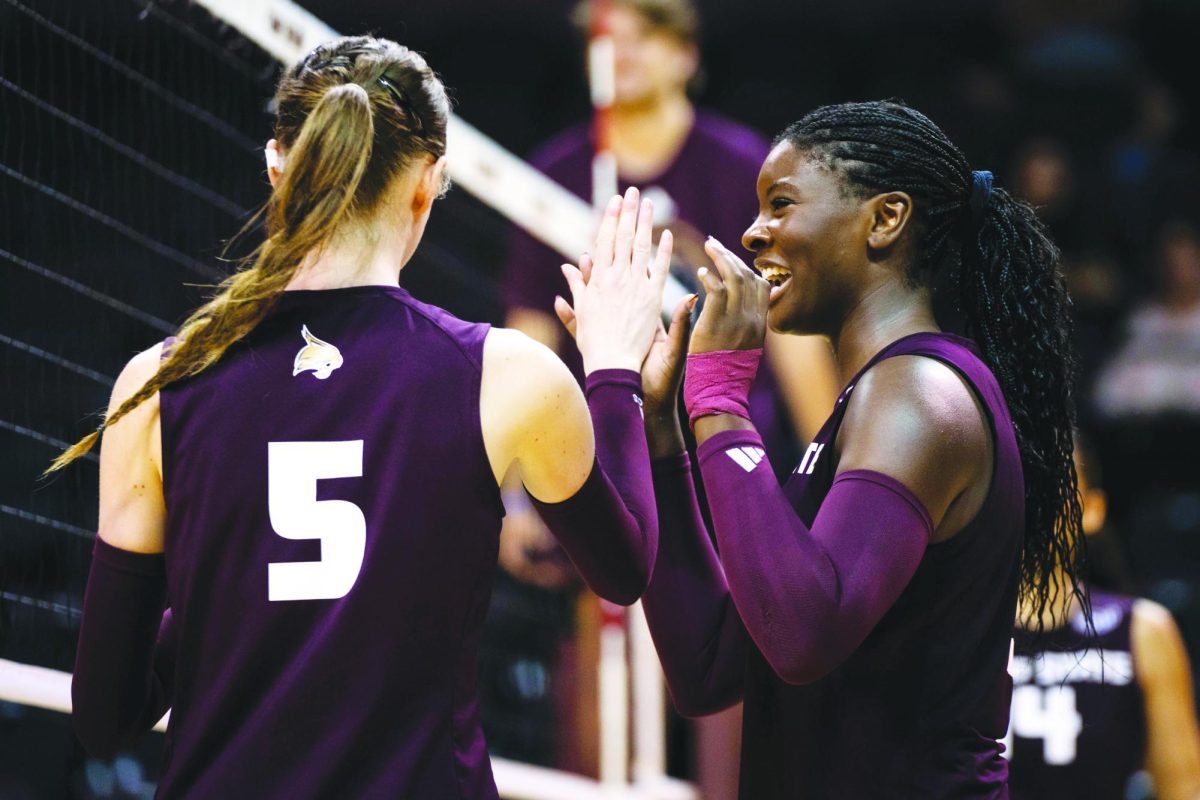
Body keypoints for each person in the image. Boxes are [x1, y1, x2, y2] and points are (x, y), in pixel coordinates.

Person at [53, 36, 673, 799]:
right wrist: (612, 368)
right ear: (431, 181)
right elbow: (624, 567)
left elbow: (106, 716)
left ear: (278, 167)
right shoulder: (506, 377)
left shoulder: (157, 385)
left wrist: (229, 582)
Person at [561, 100, 1088, 796]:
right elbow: (706, 666)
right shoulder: (870, 402)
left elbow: (803, 636)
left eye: (781, 204)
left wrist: (719, 398)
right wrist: (664, 429)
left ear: (885, 220)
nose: (753, 234)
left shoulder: (922, 394)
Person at [1008, 442, 1200, 800]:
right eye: (1018, 483)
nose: (1033, 502)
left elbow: (1184, 789)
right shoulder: (948, 631)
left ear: (1092, 509)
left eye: (1052, 484)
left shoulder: (1144, 630)